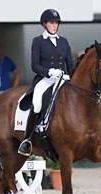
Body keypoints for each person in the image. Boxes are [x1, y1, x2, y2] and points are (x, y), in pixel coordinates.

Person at [18, 9, 74, 156]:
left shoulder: (64, 41)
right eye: (51, 22)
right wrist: (49, 72)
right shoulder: (38, 41)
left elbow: (71, 64)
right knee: (36, 103)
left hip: (63, 79)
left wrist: (70, 75)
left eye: (56, 23)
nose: (54, 25)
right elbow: (34, 65)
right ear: (44, 24)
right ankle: (27, 140)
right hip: (46, 79)